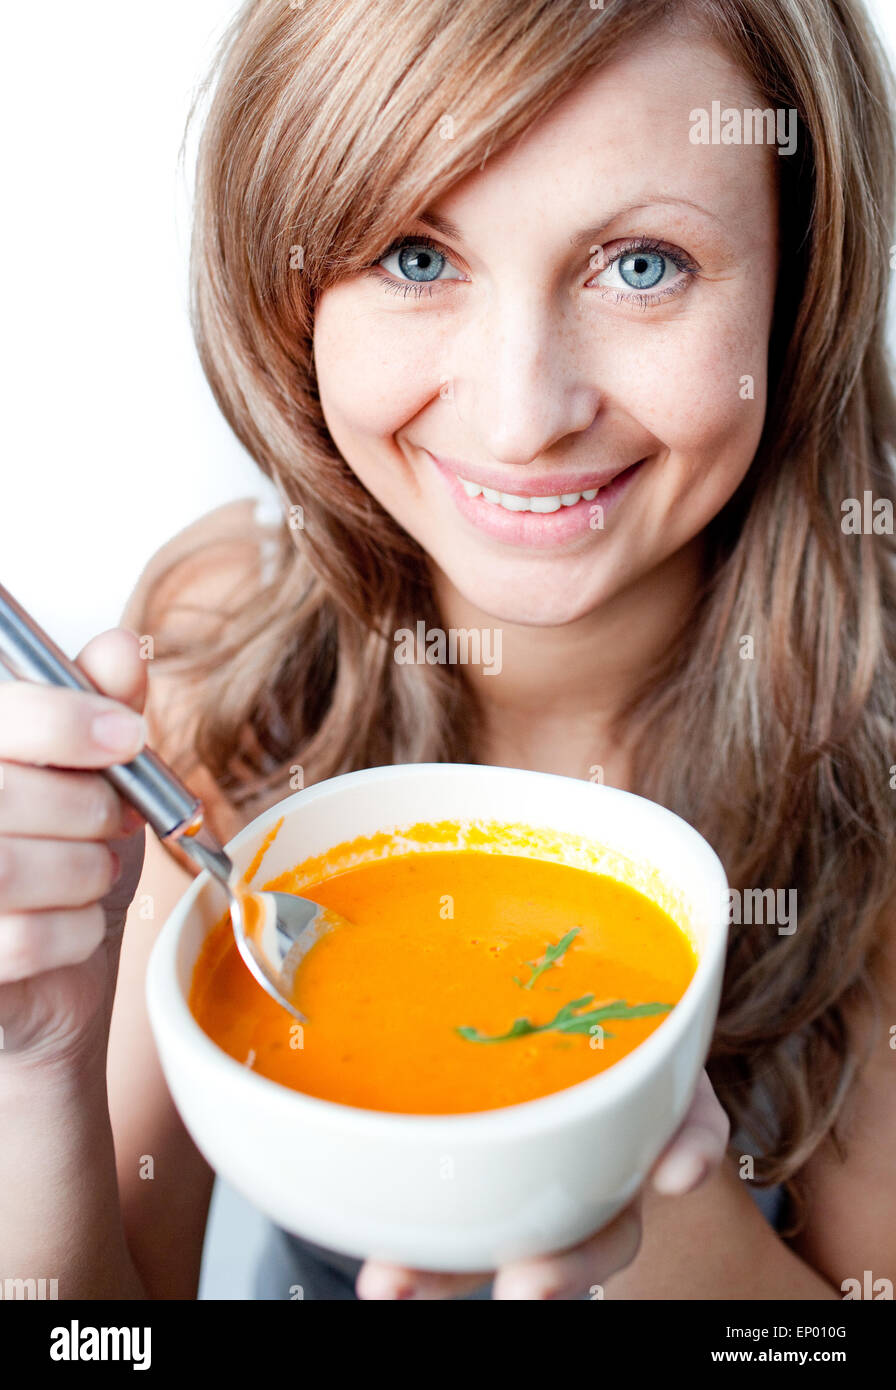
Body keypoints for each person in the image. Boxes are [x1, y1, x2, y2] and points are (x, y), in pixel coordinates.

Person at [1, 0, 894, 1300]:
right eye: (418, 257)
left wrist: (639, 1198)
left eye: (641, 263)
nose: (524, 415)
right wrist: (38, 1066)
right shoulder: (222, 659)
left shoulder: (871, 766)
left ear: (800, 282)